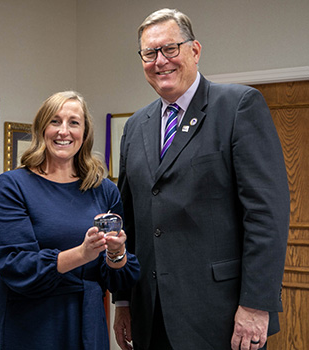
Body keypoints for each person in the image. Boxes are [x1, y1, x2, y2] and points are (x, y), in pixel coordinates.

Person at [113, 8, 290, 350]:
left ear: (194, 50)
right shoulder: (136, 127)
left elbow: (266, 215)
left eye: (170, 49)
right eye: (149, 53)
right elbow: (129, 219)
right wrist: (123, 301)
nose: (160, 61)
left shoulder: (238, 107)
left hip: (222, 316)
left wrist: (256, 304)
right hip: (151, 314)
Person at [0, 91, 140, 350]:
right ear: (41, 129)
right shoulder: (13, 186)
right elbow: (15, 264)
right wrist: (81, 254)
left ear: (85, 132)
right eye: (55, 121)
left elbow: (117, 280)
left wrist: (117, 253)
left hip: (87, 319)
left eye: (74, 122)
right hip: (32, 321)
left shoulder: (104, 190)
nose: (63, 131)